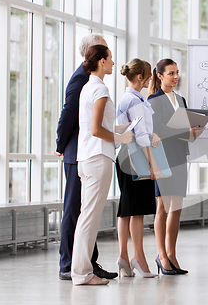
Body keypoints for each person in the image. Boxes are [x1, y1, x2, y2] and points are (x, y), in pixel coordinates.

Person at [54, 34, 118, 281]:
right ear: (96, 55)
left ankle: (88, 263)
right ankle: (69, 264)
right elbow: (68, 114)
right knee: (75, 210)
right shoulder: (81, 80)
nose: (109, 54)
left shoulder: (90, 79)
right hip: (80, 152)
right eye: (105, 50)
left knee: (87, 211)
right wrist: (60, 144)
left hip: (88, 150)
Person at [71, 45, 132, 285]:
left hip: (86, 158)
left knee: (87, 216)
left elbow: (95, 126)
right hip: (98, 158)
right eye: (111, 59)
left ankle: (81, 271)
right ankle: (82, 273)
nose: (114, 63)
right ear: (102, 61)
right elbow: (97, 130)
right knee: (89, 218)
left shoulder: (87, 87)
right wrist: (121, 138)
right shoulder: (100, 89)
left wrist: (120, 129)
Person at [148, 59, 203, 275]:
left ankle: (171, 254)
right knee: (162, 207)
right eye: (171, 73)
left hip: (180, 155)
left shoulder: (181, 99)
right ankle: (161, 255)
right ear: (160, 76)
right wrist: (185, 131)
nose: (175, 76)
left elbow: (184, 129)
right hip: (163, 157)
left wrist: (194, 132)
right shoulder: (154, 100)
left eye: (177, 72)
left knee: (177, 208)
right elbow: (158, 128)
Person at [115, 59, 161, 278]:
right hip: (136, 157)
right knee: (138, 211)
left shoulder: (128, 98)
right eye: (148, 74)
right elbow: (141, 136)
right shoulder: (135, 101)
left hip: (125, 155)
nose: (151, 78)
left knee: (127, 209)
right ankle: (139, 260)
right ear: (141, 77)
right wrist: (153, 165)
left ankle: (124, 257)